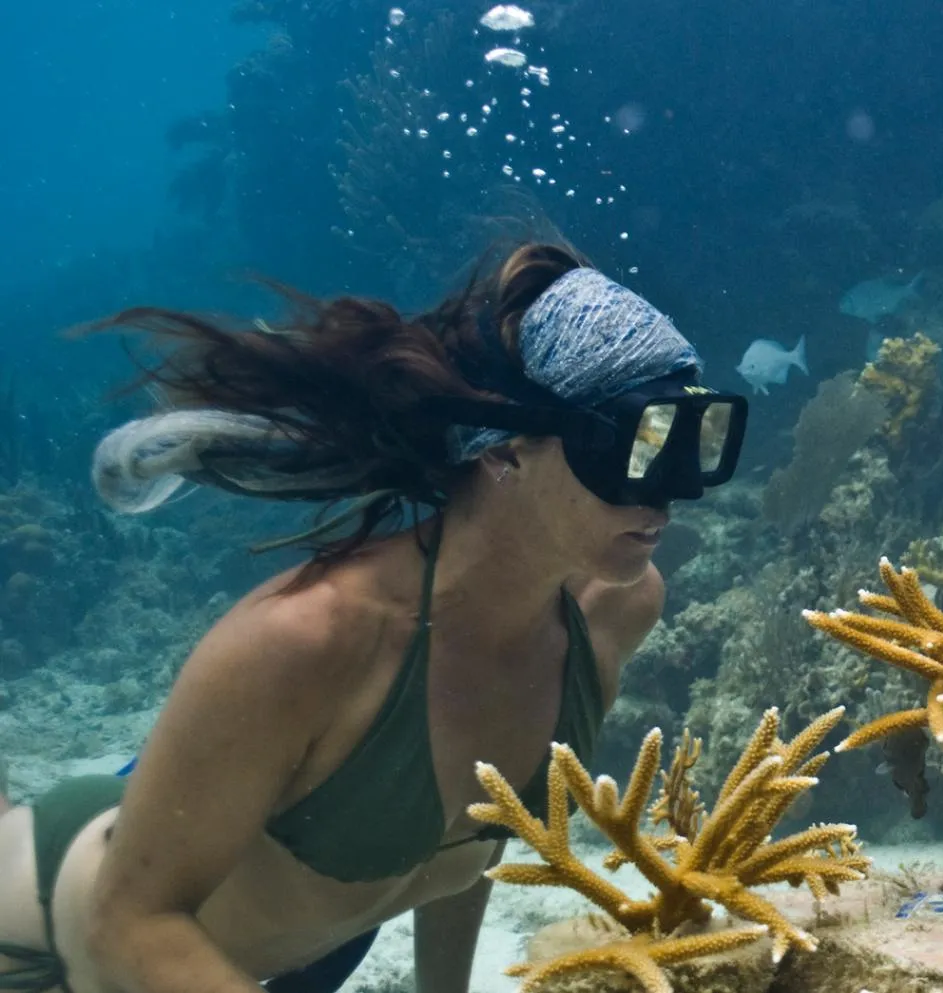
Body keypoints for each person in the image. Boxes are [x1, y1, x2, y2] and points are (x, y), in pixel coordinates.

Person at [0, 243, 747, 993]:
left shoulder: (614, 610)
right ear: (506, 448)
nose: (676, 489)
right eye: (640, 442)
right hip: (57, 948)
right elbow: (124, 923)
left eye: (696, 438)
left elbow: (477, 841)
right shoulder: (308, 637)